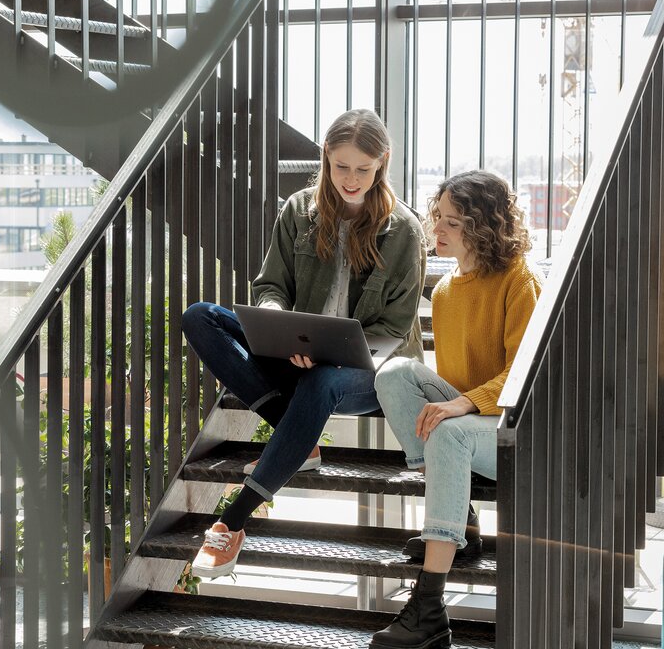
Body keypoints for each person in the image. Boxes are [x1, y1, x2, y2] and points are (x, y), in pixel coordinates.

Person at [181, 108, 427, 579]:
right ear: (325, 159)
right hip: (300, 355)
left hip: (368, 374)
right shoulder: (298, 210)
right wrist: (277, 324)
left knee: (322, 379)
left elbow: (395, 330)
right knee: (201, 318)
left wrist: (327, 353)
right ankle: (301, 439)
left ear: (382, 164)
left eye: (363, 169)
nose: (351, 179)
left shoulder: (404, 232)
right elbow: (271, 285)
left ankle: (232, 521)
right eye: (341, 166)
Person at [370, 170, 542, 649]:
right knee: (395, 374)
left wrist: (462, 405)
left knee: (449, 430)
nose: (437, 230)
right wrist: (456, 407)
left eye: (452, 222)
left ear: (482, 227)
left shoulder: (519, 280)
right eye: (437, 218)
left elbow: (524, 376)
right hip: (472, 425)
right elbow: (452, 388)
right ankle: (460, 519)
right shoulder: (444, 293)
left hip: (516, 430)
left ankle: (428, 608)